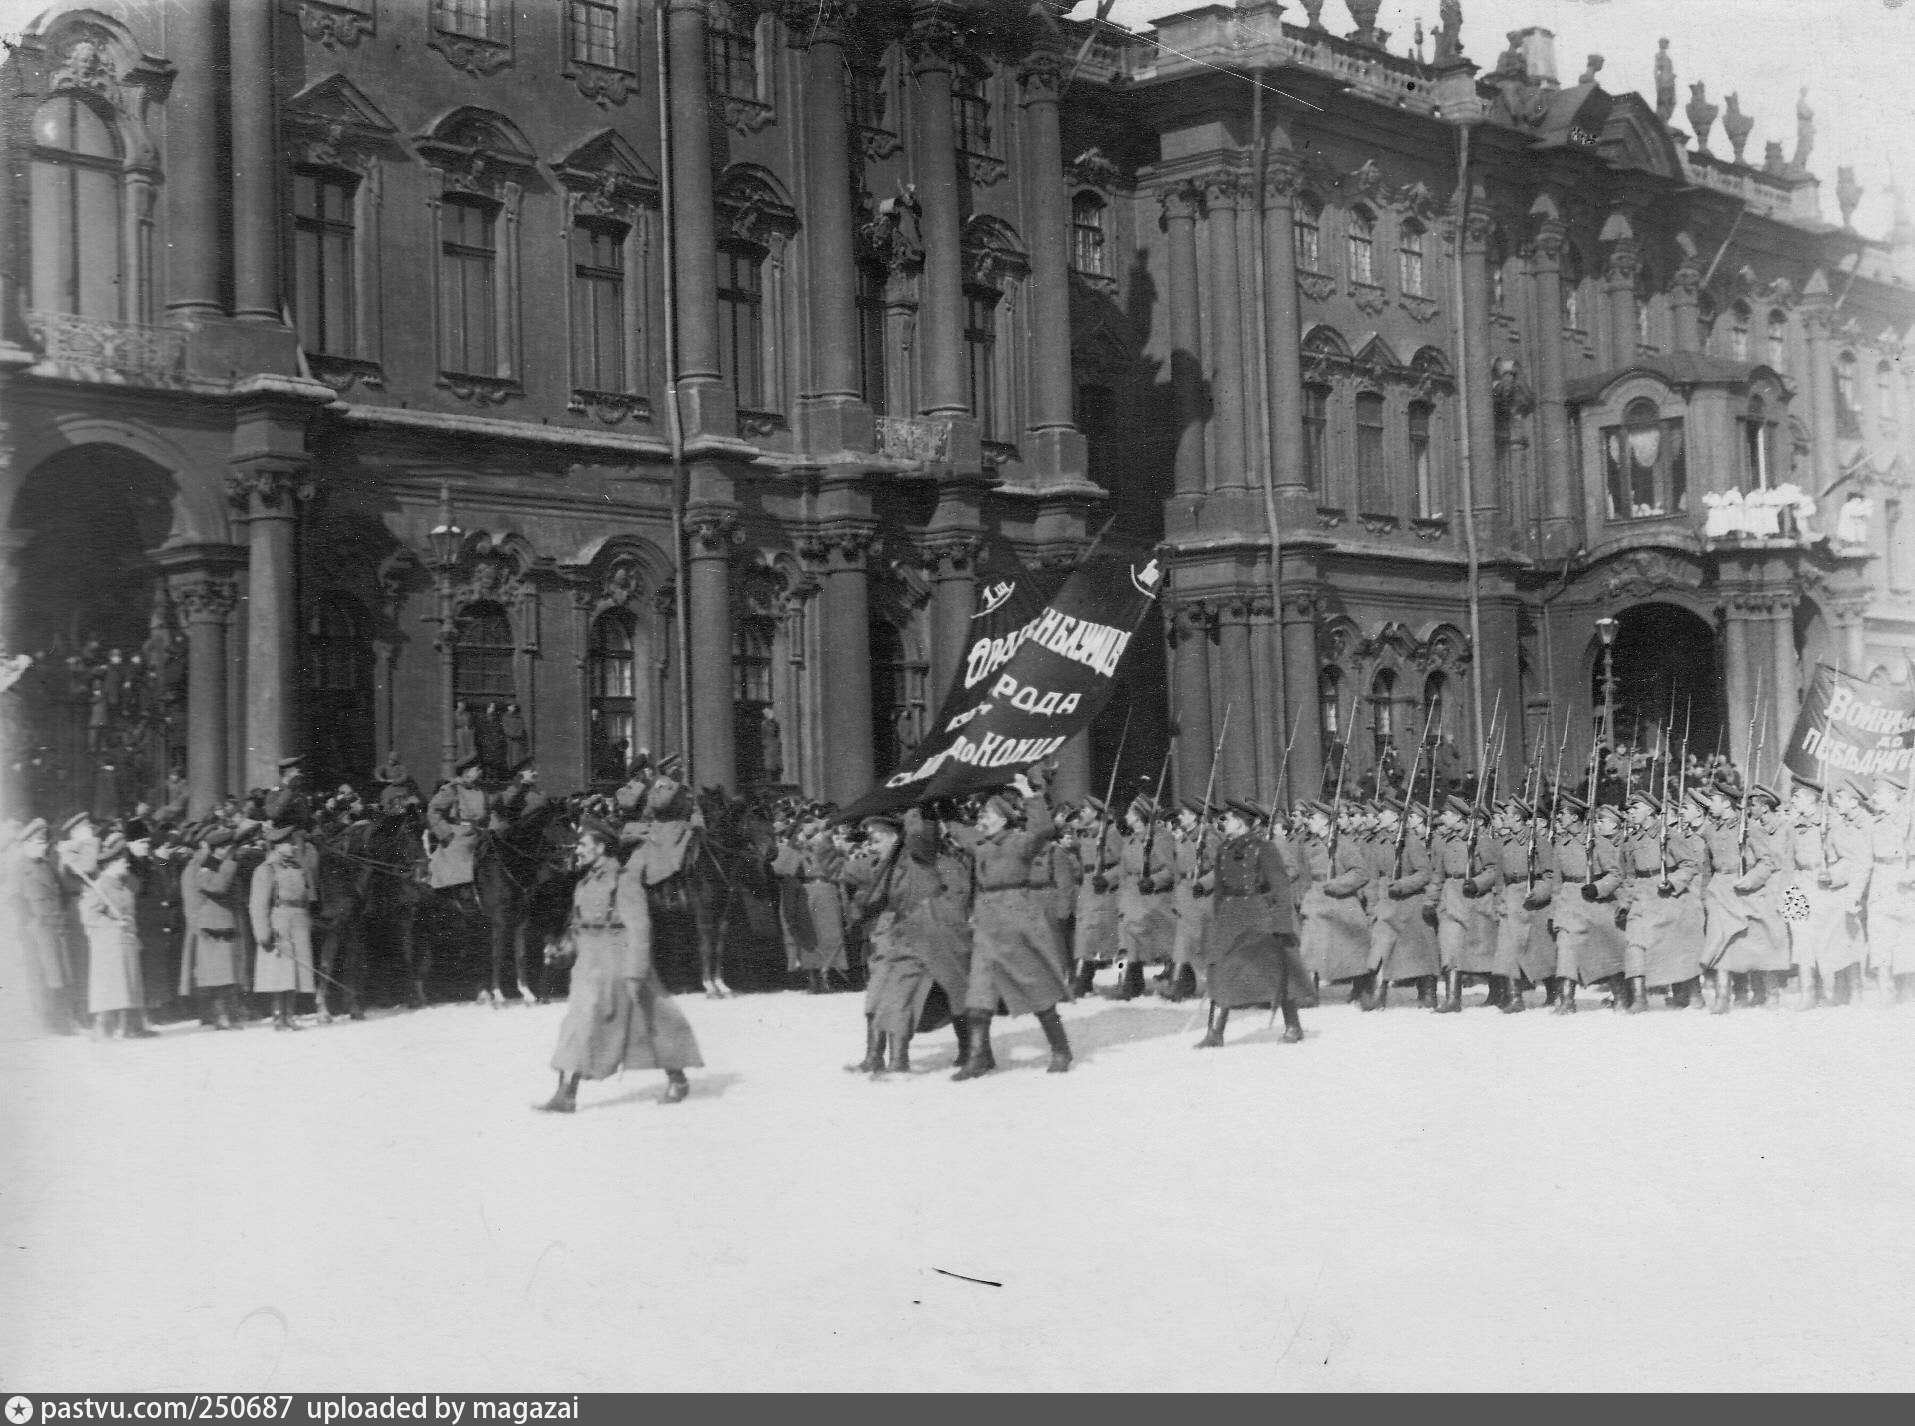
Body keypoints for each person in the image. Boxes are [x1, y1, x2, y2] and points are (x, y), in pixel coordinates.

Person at [537, 818, 701, 1112]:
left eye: (584, 845)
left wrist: (636, 969)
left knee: (652, 1019)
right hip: (589, 961)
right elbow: (581, 925)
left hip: (618, 958)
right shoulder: (585, 881)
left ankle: (677, 1077)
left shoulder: (623, 879)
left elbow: (639, 925)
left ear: (601, 847)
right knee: (579, 1021)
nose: (578, 851)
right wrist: (563, 948)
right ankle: (566, 1093)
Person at [943, 769, 1073, 1079]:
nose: (982, 819)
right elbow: (962, 833)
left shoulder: (1020, 842)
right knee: (979, 991)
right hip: (987, 926)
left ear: (1002, 818)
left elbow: (1042, 829)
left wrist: (1030, 795)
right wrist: (943, 810)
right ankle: (977, 1057)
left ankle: (1060, 1050)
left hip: (1017, 923)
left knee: (1036, 985)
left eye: (987, 814)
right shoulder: (982, 846)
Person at [840, 809, 972, 1074]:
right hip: (896, 936)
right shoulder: (884, 867)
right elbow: (856, 881)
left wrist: (915, 806)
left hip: (929, 935)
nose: (871, 846)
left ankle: (902, 1061)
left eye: (877, 840)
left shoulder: (919, 858)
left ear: (896, 837)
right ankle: (874, 1057)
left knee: (908, 996)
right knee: (877, 996)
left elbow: (920, 836)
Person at [1193, 800, 1306, 1047]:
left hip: (1257, 914)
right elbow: (1221, 888)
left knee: (1274, 969)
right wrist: (1218, 916)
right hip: (1230, 915)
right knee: (1221, 968)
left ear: (1242, 822)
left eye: (1229, 819)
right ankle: (1215, 1032)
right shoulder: (1224, 849)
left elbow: (1280, 886)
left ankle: (1293, 1026)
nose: (1225, 823)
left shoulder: (1264, 848)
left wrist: (1282, 923)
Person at [79, 831, 149, 1038]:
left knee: (130, 985)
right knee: (111, 987)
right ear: (111, 863)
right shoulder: (100, 887)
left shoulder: (123, 886)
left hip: (127, 941)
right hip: (109, 944)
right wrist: (113, 924)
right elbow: (89, 916)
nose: (126, 865)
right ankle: (104, 1027)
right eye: (122, 861)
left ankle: (131, 1026)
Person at [250, 824, 318, 1030]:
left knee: (295, 971)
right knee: (279, 971)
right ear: (278, 846)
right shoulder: (266, 869)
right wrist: (263, 932)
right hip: (278, 922)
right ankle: (278, 1015)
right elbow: (258, 904)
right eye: (289, 843)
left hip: (298, 921)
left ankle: (290, 1014)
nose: (294, 847)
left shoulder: (298, 867)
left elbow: (307, 896)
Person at [181, 827, 246, 1029]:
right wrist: (229, 863)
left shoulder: (215, 865)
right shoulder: (204, 867)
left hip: (225, 923)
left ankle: (229, 1012)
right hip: (212, 926)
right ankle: (218, 1015)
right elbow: (218, 887)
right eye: (229, 848)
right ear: (221, 849)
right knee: (216, 973)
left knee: (227, 972)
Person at [426, 753, 489, 893]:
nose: (480, 772)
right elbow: (433, 810)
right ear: (466, 772)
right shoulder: (452, 789)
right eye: (477, 769)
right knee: (460, 862)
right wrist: (445, 834)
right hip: (458, 836)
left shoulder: (480, 791)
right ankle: (460, 893)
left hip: (480, 834)